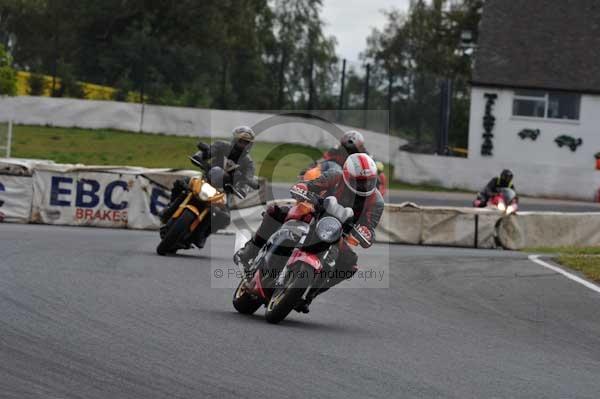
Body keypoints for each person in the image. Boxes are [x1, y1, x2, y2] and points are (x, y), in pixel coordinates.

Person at [234, 153, 384, 313]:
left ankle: (310, 294)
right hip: (315, 214)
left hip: (338, 232)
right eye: (359, 182)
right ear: (347, 174)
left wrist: (365, 232)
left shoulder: (376, 201)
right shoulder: (335, 176)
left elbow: (370, 226)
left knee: (349, 263)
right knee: (274, 211)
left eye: (369, 182)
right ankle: (250, 251)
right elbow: (310, 184)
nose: (364, 186)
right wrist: (303, 188)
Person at [159, 126, 257, 245]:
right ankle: (169, 209)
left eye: (246, 143)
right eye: (241, 141)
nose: (243, 145)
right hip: (207, 180)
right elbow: (207, 152)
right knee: (182, 183)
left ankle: (202, 235)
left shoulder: (248, 162)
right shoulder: (221, 145)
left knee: (224, 216)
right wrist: (200, 156)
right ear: (234, 140)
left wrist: (243, 187)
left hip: (225, 190)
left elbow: (249, 177)